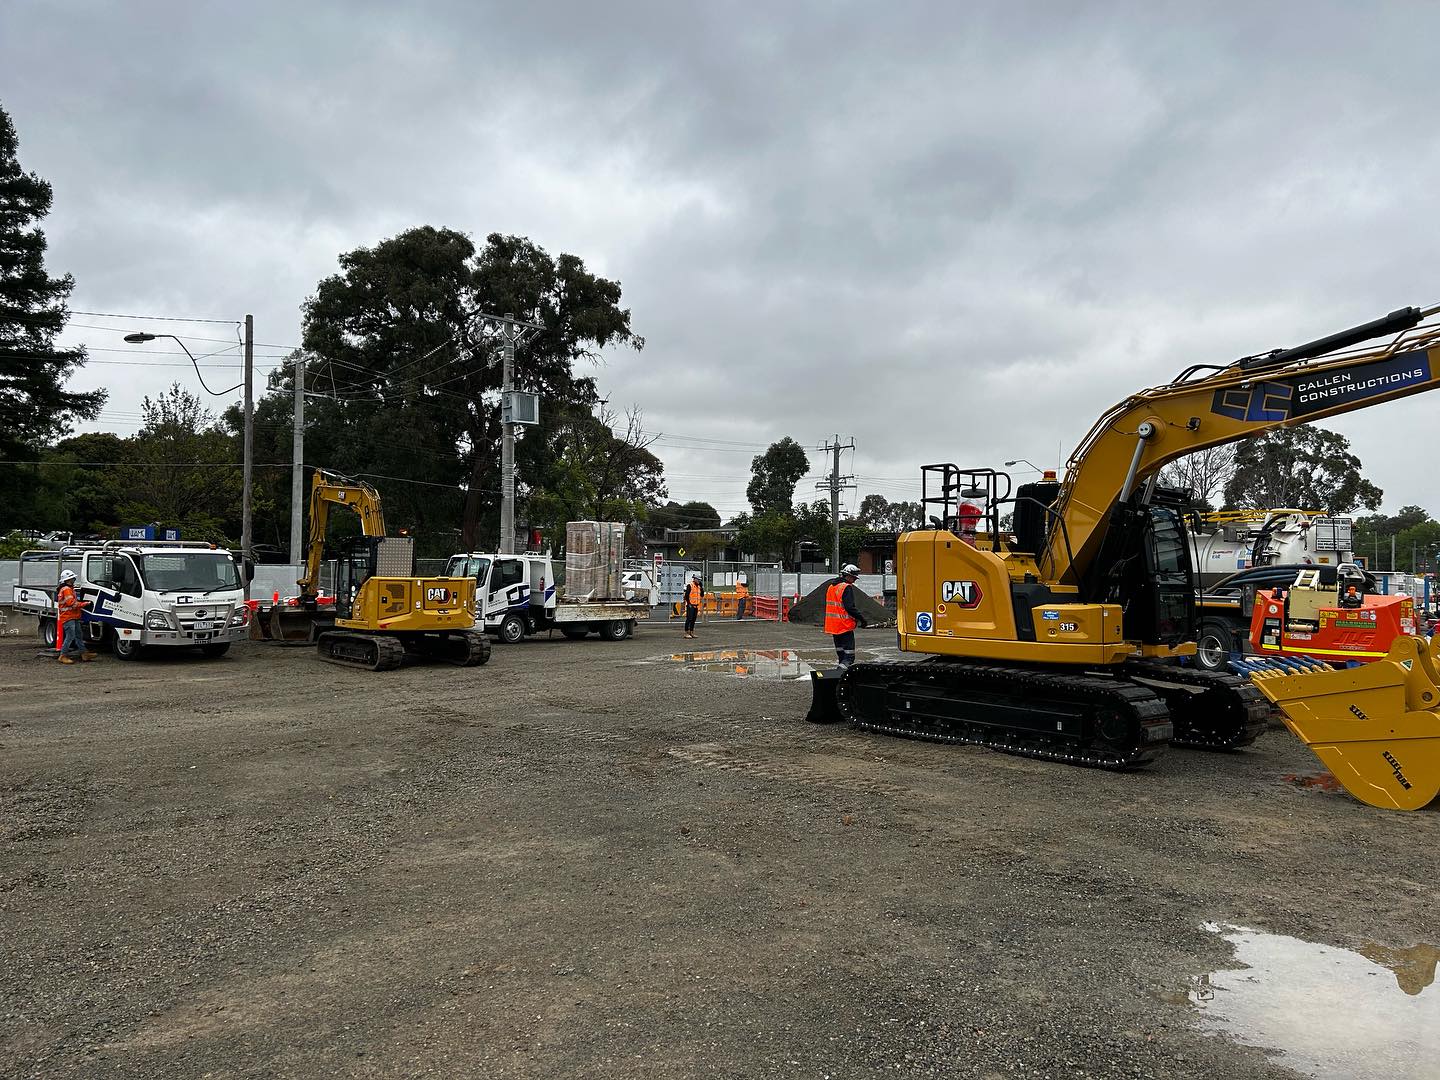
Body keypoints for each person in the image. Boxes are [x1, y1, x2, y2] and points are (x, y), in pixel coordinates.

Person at [824, 563, 868, 668]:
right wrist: (862, 619)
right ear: (848, 575)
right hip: (844, 626)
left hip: (834, 626)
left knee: (841, 654)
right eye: (854, 578)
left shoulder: (831, 586)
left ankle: (839, 673)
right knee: (849, 657)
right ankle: (843, 675)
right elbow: (849, 608)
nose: (855, 580)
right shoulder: (846, 587)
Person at [56, 569, 94, 664]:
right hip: (68, 617)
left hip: (73, 616)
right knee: (71, 636)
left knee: (78, 635)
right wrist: (86, 604)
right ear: (68, 579)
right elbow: (71, 603)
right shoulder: (67, 590)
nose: (74, 579)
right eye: (73, 578)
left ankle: (84, 653)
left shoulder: (68, 589)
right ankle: (63, 655)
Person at [683, 574, 703, 639]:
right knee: (689, 619)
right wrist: (689, 604)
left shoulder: (699, 587)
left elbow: (702, 595)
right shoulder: (690, 585)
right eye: (698, 580)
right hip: (690, 605)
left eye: (700, 580)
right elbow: (686, 596)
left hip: (696, 605)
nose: (699, 581)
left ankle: (691, 632)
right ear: (694, 579)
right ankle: (686, 633)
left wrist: (702, 588)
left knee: (693, 619)